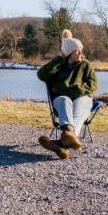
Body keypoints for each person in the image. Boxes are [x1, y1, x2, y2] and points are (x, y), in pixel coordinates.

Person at [36, 29, 99, 159]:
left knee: (81, 103)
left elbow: (93, 85)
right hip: (62, 100)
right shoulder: (59, 66)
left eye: (81, 49)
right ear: (69, 53)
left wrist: (76, 89)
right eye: (77, 50)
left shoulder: (86, 65)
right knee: (64, 100)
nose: (81, 52)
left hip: (82, 97)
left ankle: (61, 144)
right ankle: (68, 138)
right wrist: (57, 60)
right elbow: (41, 75)